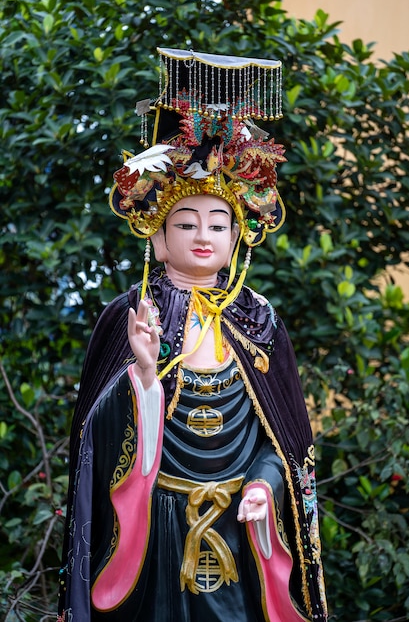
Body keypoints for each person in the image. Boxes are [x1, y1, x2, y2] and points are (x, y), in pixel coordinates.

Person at [58, 48, 327, 621]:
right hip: (153, 533)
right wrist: (146, 379)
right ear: (157, 238)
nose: (202, 234)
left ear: (238, 235)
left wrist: (263, 484)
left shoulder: (259, 319)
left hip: (240, 531)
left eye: (217, 222)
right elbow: (94, 438)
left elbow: (282, 439)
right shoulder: (130, 314)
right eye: (185, 222)